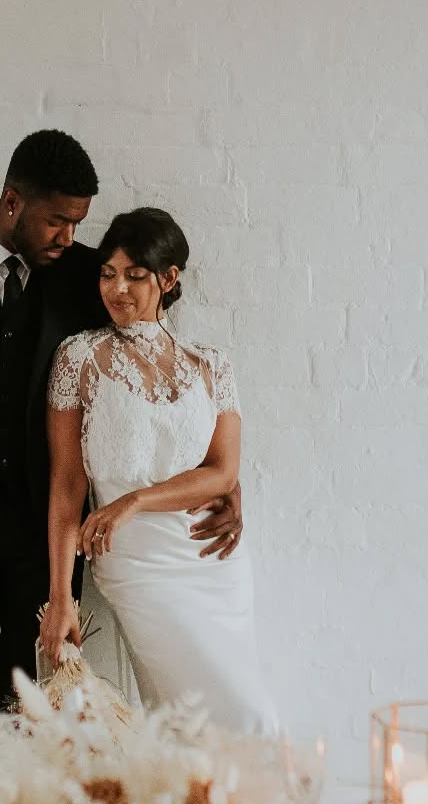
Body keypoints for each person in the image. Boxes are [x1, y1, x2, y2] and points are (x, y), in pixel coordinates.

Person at [0, 134, 244, 757]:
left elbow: (157, 383)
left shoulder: (87, 276)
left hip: (43, 534)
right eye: (58, 221)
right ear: (12, 202)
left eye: (78, 223)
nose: (69, 237)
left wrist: (224, 481)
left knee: (35, 715)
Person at [39, 206, 277, 732]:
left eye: (135, 275)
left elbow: (222, 472)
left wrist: (134, 501)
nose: (117, 289)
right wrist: (62, 597)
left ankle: (204, 790)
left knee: (210, 719)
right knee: (237, 714)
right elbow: (66, 485)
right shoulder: (79, 358)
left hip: (215, 564)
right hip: (138, 568)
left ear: (168, 279)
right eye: (108, 274)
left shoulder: (211, 364)